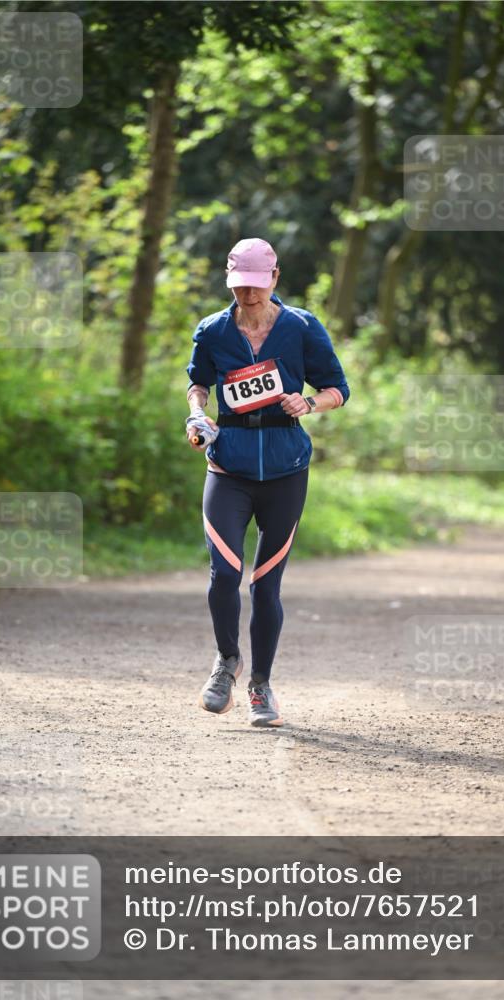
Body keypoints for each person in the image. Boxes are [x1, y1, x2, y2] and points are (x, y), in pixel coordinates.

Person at [185, 237, 350, 725]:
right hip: (228, 467)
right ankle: (226, 663)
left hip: (285, 470)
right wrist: (196, 415)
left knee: (265, 586)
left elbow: (338, 388)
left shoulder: (301, 327)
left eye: (257, 287)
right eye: (240, 288)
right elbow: (199, 383)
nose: (249, 296)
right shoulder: (213, 330)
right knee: (224, 574)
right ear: (230, 283)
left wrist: (310, 403)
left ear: (275, 279)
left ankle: (261, 687)